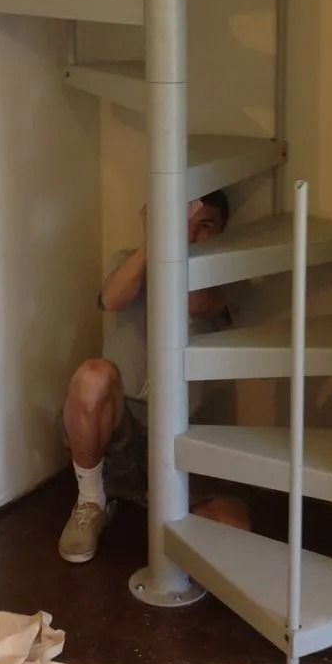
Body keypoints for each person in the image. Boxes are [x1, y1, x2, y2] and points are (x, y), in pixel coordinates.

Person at [59, 191, 248, 562]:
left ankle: (162, 510)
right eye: (184, 222)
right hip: (118, 429)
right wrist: (155, 240)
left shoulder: (224, 281)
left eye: (205, 225)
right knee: (92, 376)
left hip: (182, 438)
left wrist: (173, 242)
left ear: (223, 232)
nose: (191, 233)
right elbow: (113, 298)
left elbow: (193, 302)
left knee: (233, 525)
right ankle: (90, 500)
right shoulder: (129, 262)